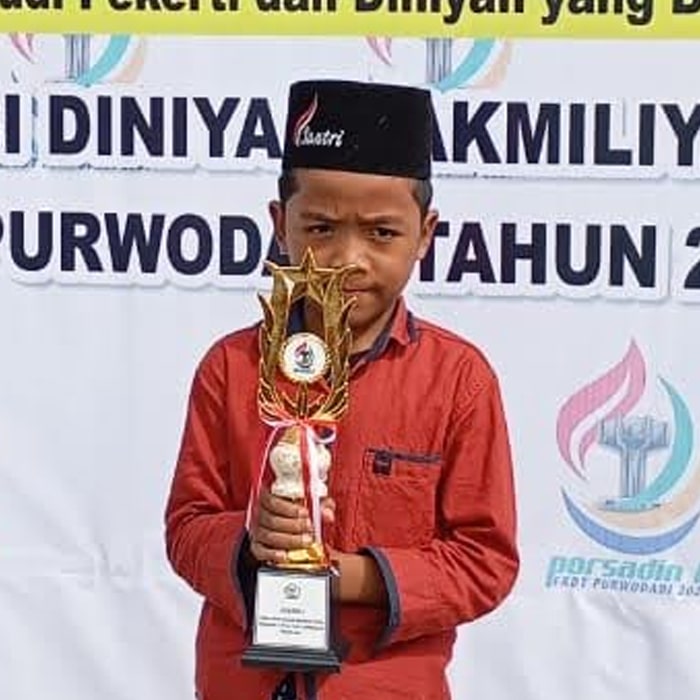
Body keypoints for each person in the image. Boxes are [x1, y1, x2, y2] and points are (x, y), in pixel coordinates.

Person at [165, 79, 519, 700]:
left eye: (381, 233)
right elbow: (187, 528)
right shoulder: (231, 366)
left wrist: (346, 576)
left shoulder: (458, 380)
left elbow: (485, 560)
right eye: (321, 228)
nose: (347, 259)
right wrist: (250, 542)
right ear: (280, 224)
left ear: (425, 233)